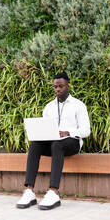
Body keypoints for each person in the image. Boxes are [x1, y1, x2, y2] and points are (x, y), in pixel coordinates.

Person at [16, 72, 90, 210]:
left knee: (57, 144)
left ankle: (53, 192)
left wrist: (68, 132)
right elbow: (45, 127)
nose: (57, 89)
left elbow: (86, 130)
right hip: (53, 143)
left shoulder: (78, 105)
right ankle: (29, 191)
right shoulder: (49, 107)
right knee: (35, 145)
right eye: (55, 87)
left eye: (61, 86)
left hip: (72, 142)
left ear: (68, 85)